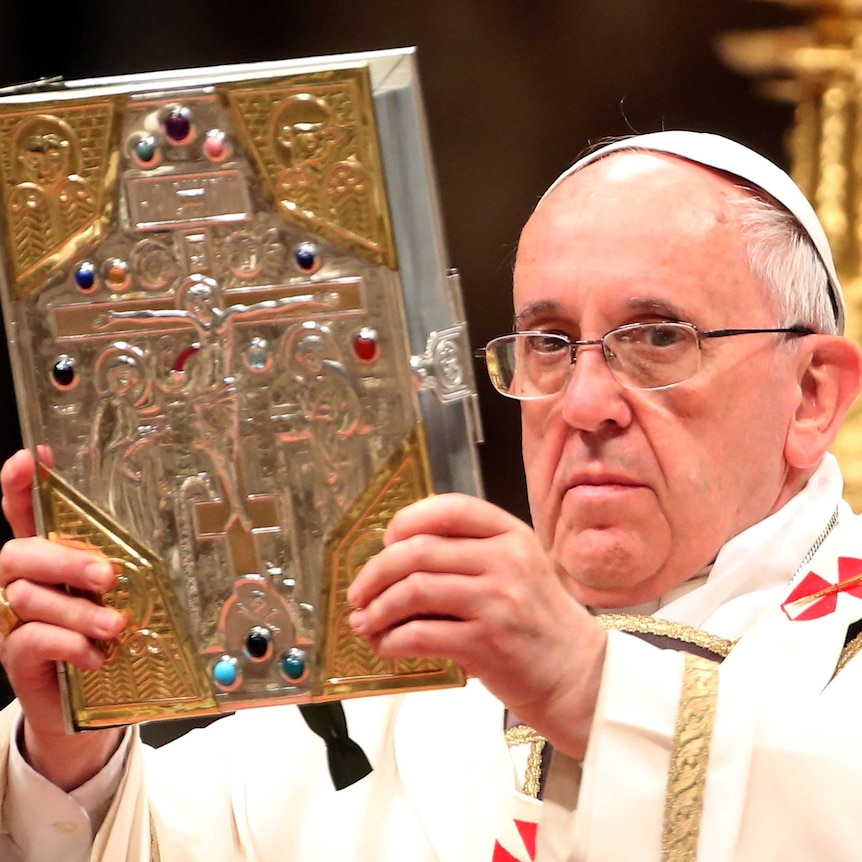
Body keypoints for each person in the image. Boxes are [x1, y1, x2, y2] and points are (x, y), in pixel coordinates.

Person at [2, 128, 862, 862]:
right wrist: (72, 754)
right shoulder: (402, 668)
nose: (586, 403)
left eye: (659, 338)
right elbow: (176, 832)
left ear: (814, 394)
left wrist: (586, 686)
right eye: (550, 343)